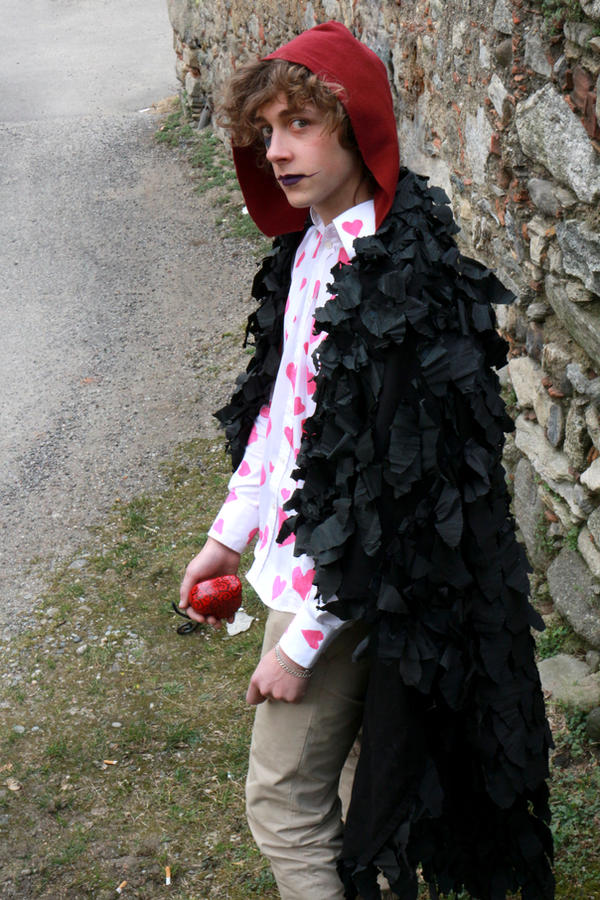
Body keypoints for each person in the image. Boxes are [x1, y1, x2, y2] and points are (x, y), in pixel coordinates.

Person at [179, 21, 554, 900]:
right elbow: (284, 420)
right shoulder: (310, 249)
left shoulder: (404, 280)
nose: (276, 150)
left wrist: (300, 646)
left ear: (359, 131)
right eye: (265, 129)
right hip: (323, 567)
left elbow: (401, 494)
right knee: (363, 786)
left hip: (358, 589)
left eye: (300, 124)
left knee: (282, 800)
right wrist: (227, 539)